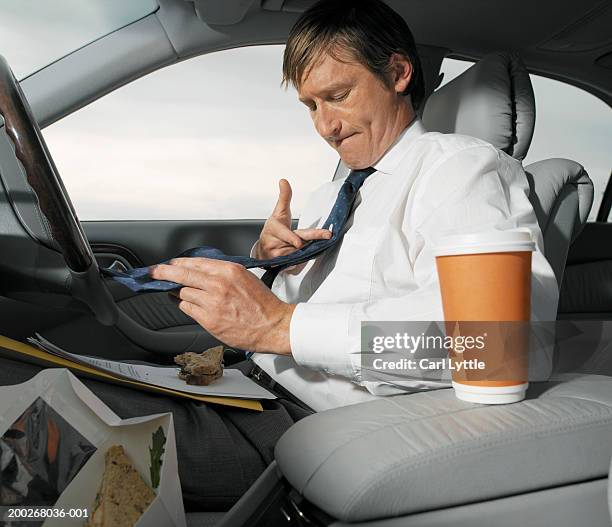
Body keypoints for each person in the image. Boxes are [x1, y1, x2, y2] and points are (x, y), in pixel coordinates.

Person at [0, 0, 558, 511]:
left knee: (25, 427)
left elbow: (491, 343)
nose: (325, 126)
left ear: (397, 72)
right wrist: (269, 264)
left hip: (299, 423)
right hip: (245, 383)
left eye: (338, 96)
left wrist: (283, 327)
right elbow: (311, 307)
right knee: (30, 377)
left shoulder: (460, 170)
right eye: (310, 106)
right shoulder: (336, 189)